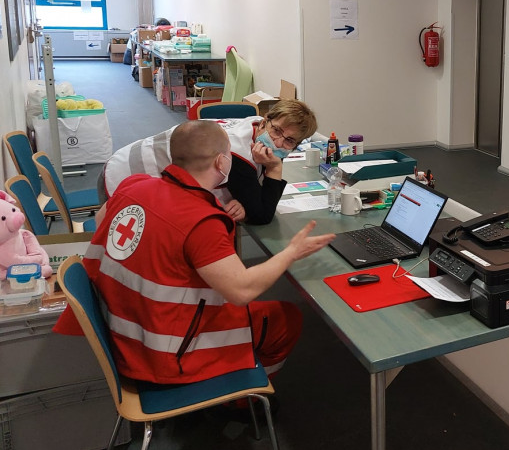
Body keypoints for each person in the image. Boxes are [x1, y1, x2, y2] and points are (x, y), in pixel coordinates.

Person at [55, 120, 336, 384]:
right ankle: (241, 398)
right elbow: (242, 291)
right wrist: (291, 252)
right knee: (286, 317)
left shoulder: (133, 184)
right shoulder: (202, 221)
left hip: (118, 326)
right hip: (164, 353)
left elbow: (103, 223)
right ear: (221, 162)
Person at [101, 99, 318, 225]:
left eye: (289, 140)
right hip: (128, 175)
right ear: (265, 121)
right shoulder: (236, 153)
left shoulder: (252, 126)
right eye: (277, 130)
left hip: (140, 160)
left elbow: (252, 194)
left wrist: (247, 200)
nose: (278, 142)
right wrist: (275, 167)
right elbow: (262, 216)